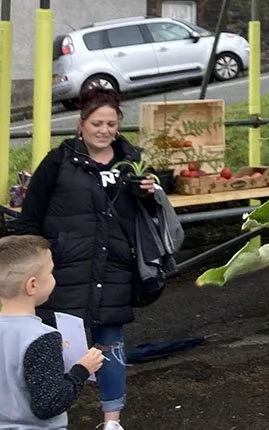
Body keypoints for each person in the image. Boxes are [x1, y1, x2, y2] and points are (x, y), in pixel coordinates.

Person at [15, 87, 157, 430]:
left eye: (111, 123)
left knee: (110, 342)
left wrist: (150, 194)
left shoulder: (132, 162)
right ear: (81, 124)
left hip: (114, 267)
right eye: (97, 123)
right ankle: (57, 412)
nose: (104, 130)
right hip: (64, 269)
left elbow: (148, 218)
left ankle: (112, 419)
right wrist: (36, 258)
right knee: (60, 344)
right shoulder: (58, 162)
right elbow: (30, 214)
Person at [0, 235, 106, 429]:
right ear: (32, 285)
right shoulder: (42, 337)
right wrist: (82, 369)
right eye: (50, 272)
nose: (53, 277)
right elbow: (49, 404)